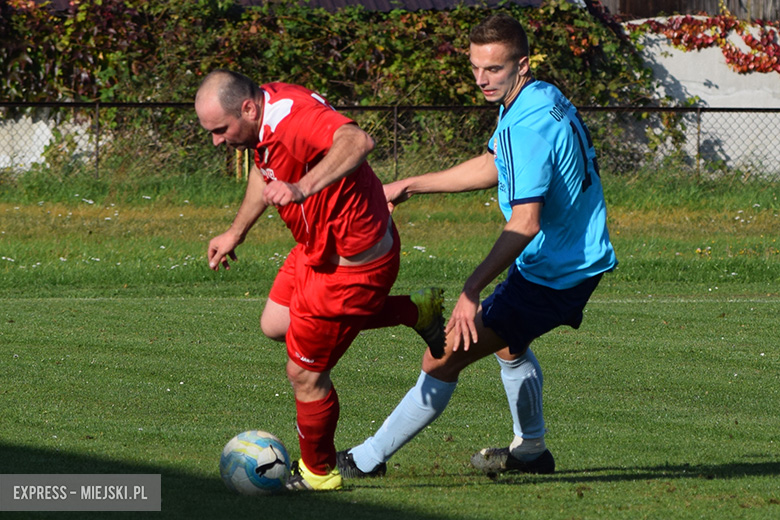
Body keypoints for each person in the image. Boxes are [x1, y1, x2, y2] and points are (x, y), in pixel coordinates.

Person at [337, 13, 617, 479]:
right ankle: (531, 453)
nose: (483, 80)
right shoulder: (538, 96)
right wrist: (412, 184)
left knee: (443, 355)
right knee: (509, 345)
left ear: (521, 65)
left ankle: (365, 460)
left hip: (555, 272)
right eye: (475, 67)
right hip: (570, 260)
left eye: (495, 70)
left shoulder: (523, 127)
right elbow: (496, 164)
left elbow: (525, 223)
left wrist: (470, 292)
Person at [194, 70, 446, 491]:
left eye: (221, 130)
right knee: (275, 324)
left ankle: (319, 473)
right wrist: (236, 231)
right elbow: (266, 169)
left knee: (305, 375)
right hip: (318, 250)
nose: (217, 140)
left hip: (351, 269)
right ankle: (414, 309)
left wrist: (302, 187)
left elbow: (358, 141)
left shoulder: (294, 119)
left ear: (248, 108)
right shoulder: (264, 117)